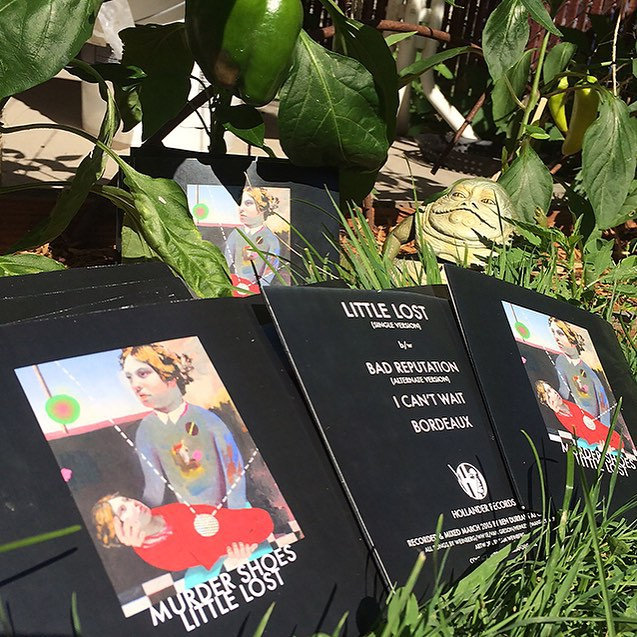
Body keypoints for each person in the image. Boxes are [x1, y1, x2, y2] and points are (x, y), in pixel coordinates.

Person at [121, 343, 247, 509]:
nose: (135, 385)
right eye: (129, 377)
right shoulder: (146, 430)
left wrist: (236, 517)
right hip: (193, 519)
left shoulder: (208, 419)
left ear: (169, 375)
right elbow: (155, 489)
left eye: (143, 374)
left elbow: (235, 474)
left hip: (230, 514)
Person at [92, 494, 273, 572]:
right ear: (119, 528)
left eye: (126, 499)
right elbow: (217, 554)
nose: (133, 503)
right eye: (123, 509)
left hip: (249, 517)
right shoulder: (160, 555)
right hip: (252, 536)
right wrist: (236, 559)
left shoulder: (160, 512)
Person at [548, 317, 611, 427]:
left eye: (560, 333)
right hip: (578, 419)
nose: (556, 337)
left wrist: (605, 426)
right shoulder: (560, 361)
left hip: (597, 422)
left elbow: (602, 399)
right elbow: (563, 391)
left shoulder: (589, 366)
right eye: (553, 332)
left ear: (572, 337)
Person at [535, 380, 622, 450]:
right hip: (605, 447)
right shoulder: (557, 423)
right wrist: (598, 448)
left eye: (551, 388)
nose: (554, 392)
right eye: (549, 392)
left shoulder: (570, 401)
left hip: (612, 436)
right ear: (547, 401)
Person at [224, 188, 281, 292]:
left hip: (257, 291)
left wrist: (255, 288)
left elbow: (270, 271)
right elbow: (225, 261)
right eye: (239, 203)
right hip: (235, 286)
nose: (241, 209)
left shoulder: (271, 239)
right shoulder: (236, 233)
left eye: (248, 203)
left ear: (262, 207)